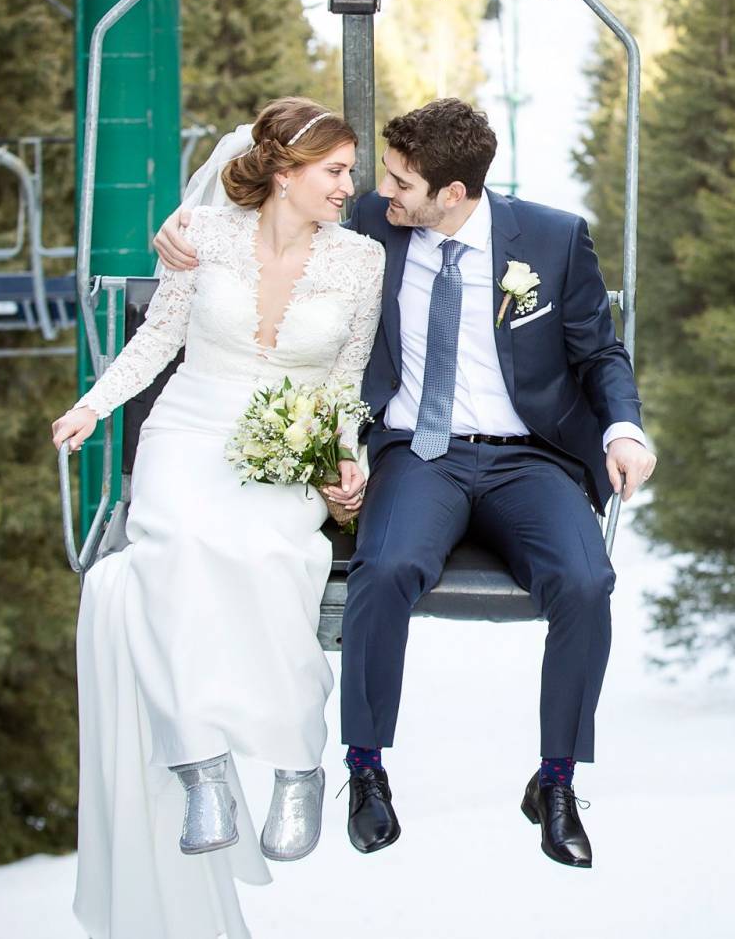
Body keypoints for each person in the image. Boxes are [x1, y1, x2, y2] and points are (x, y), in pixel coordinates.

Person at [155, 98, 657, 869]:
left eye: (400, 183)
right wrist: (184, 228)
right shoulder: (368, 222)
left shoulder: (552, 242)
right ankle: (365, 769)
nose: (380, 193)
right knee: (383, 569)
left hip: (531, 458)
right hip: (422, 454)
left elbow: (599, 355)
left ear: (452, 194)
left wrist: (623, 429)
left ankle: (556, 779)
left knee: (587, 581)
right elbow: (271, 196)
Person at [50, 97, 384, 937]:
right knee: (174, 548)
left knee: (275, 558)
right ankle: (199, 764)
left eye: (351, 171)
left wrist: (350, 460)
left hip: (286, 431)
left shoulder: (360, 261)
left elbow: (344, 382)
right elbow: (160, 339)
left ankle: (294, 764)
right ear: (283, 173)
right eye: (335, 172)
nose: (351, 186)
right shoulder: (206, 234)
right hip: (193, 425)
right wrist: (95, 405)